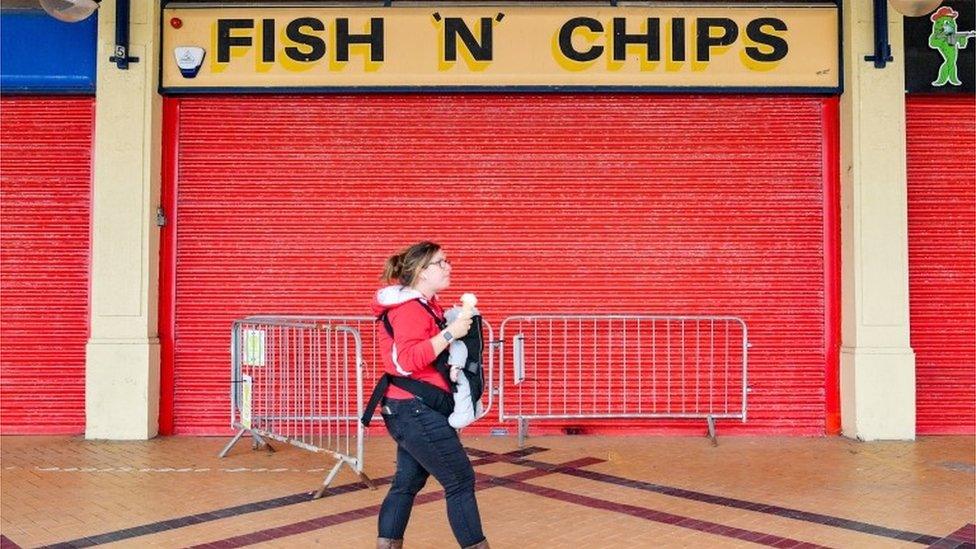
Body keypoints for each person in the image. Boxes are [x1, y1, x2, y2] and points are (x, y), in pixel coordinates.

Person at [369, 241, 489, 549]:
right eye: (441, 262)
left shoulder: (425, 305)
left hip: (410, 409)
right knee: (459, 481)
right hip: (416, 411)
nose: (448, 266)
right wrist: (450, 333)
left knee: (407, 482)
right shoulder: (409, 309)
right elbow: (405, 361)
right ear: (421, 272)